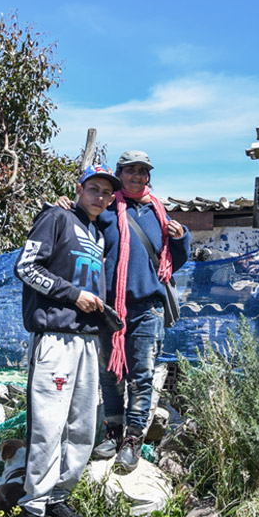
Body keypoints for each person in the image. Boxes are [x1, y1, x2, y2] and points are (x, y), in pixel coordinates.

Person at [12, 164, 122, 517]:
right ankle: (33, 505)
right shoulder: (55, 217)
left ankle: (59, 495)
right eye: (93, 189)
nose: (100, 197)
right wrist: (73, 295)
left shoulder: (98, 233)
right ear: (78, 189)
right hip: (55, 338)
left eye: (106, 193)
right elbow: (26, 267)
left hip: (88, 341)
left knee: (82, 426)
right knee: (47, 423)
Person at [86, 150, 191, 473]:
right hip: (109, 309)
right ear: (120, 174)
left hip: (147, 308)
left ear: (149, 177)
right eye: (130, 171)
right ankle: (112, 433)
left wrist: (182, 238)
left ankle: (133, 439)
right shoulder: (105, 209)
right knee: (110, 374)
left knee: (142, 377)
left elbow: (173, 261)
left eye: (143, 172)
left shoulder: (157, 214)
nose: (137, 177)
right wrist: (62, 206)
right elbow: (79, 230)